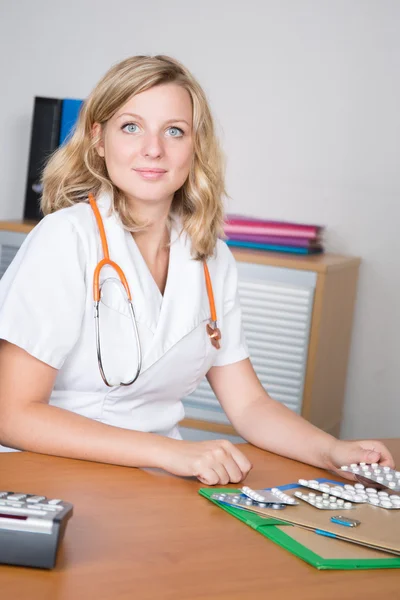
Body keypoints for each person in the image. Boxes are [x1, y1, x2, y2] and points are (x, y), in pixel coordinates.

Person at [0, 55, 394, 485]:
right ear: (98, 139)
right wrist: (171, 452)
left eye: (174, 131)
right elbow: (13, 414)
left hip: (155, 482)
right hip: (51, 479)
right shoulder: (65, 238)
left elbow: (248, 406)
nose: (153, 148)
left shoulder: (210, 256)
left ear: (195, 144)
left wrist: (332, 451)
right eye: (131, 127)